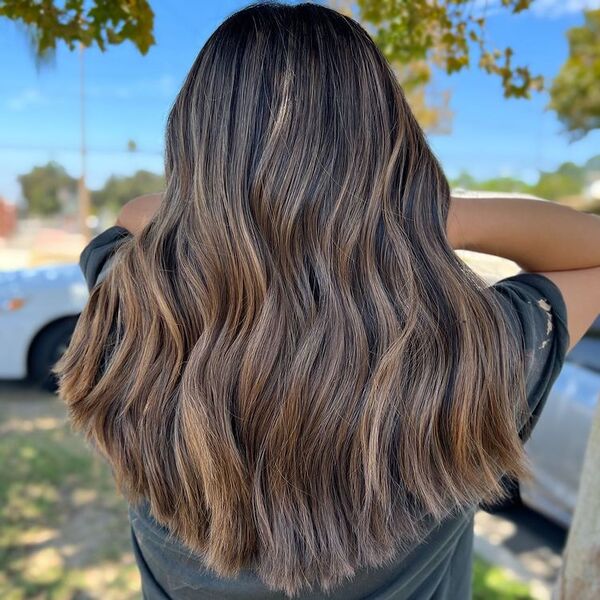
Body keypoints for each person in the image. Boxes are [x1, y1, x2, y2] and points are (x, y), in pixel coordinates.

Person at [54, 2, 600, 599]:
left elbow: (133, 216)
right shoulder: (482, 349)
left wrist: (226, 210)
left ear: (195, 141)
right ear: (393, 147)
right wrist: (417, 218)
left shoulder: (128, 318)